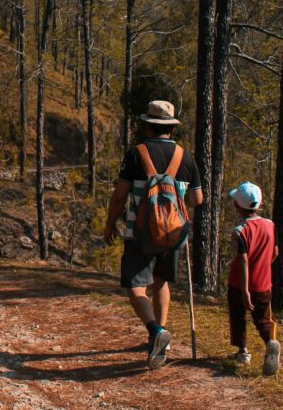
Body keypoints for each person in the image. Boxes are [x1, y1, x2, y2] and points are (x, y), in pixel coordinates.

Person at [104, 100, 203, 369]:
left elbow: (119, 196)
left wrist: (110, 224)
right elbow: (197, 199)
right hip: (173, 233)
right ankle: (162, 338)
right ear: (172, 129)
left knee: (136, 286)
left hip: (140, 232)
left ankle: (155, 330)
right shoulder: (185, 157)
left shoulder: (136, 154)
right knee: (161, 282)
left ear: (148, 126)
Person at [226, 182, 280, 376]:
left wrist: (245, 290)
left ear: (237, 205)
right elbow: (275, 252)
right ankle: (271, 342)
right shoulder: (270, 225)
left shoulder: (240, 231)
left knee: (238, 315)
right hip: (264, 284)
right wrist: (263, 265)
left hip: (239, 284)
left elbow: (242, 260)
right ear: (259, 205)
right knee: (263, 319)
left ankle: (243, 352)